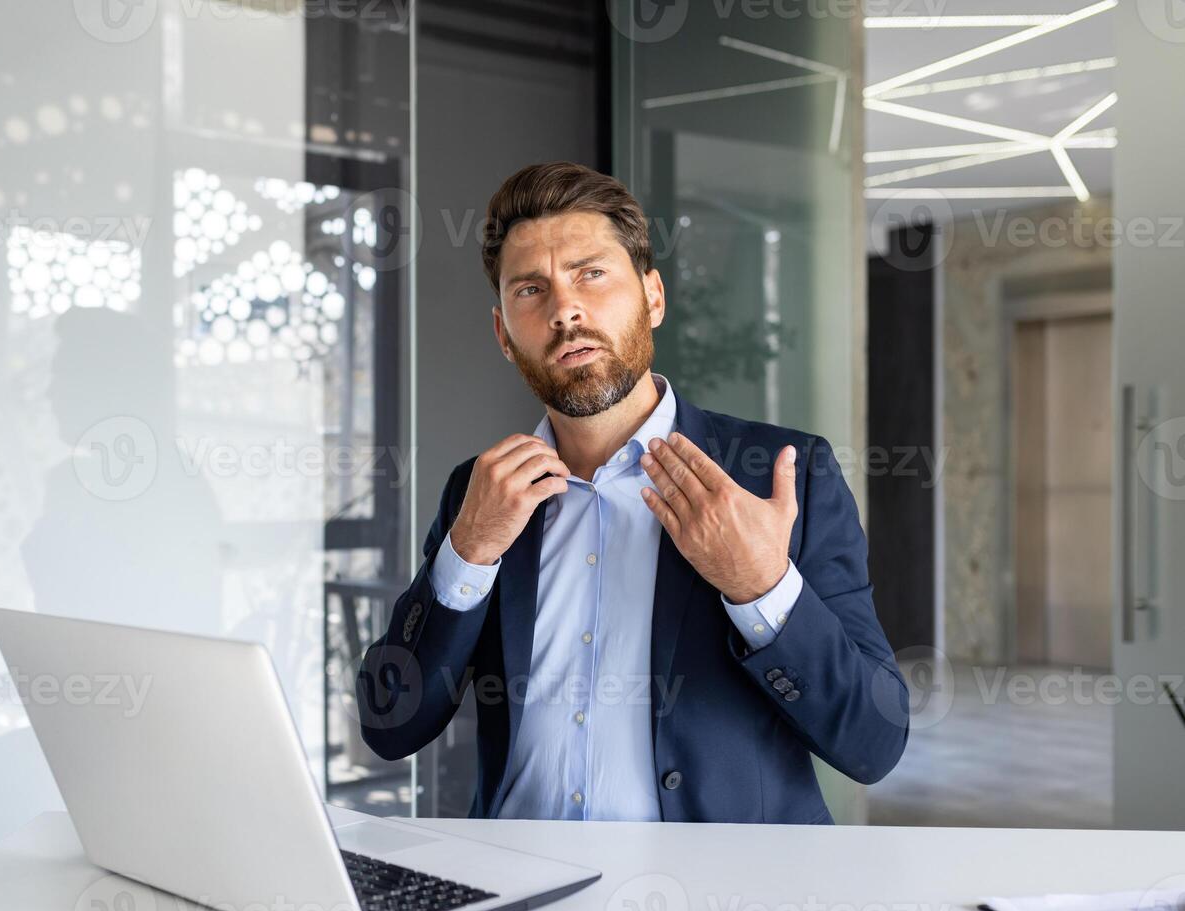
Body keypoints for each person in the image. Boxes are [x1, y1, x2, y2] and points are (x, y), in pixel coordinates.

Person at [356, 162, 909, 824]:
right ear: (504, 334)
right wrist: (467, 552)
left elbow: (874, 743)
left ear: (653, 298)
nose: (566, 309)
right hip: (523, 897)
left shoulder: (782, 475)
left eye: (592, 273)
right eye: (531, 290)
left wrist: (761, 585)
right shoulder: (480, 494)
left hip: (720, 905)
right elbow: (391, 725)